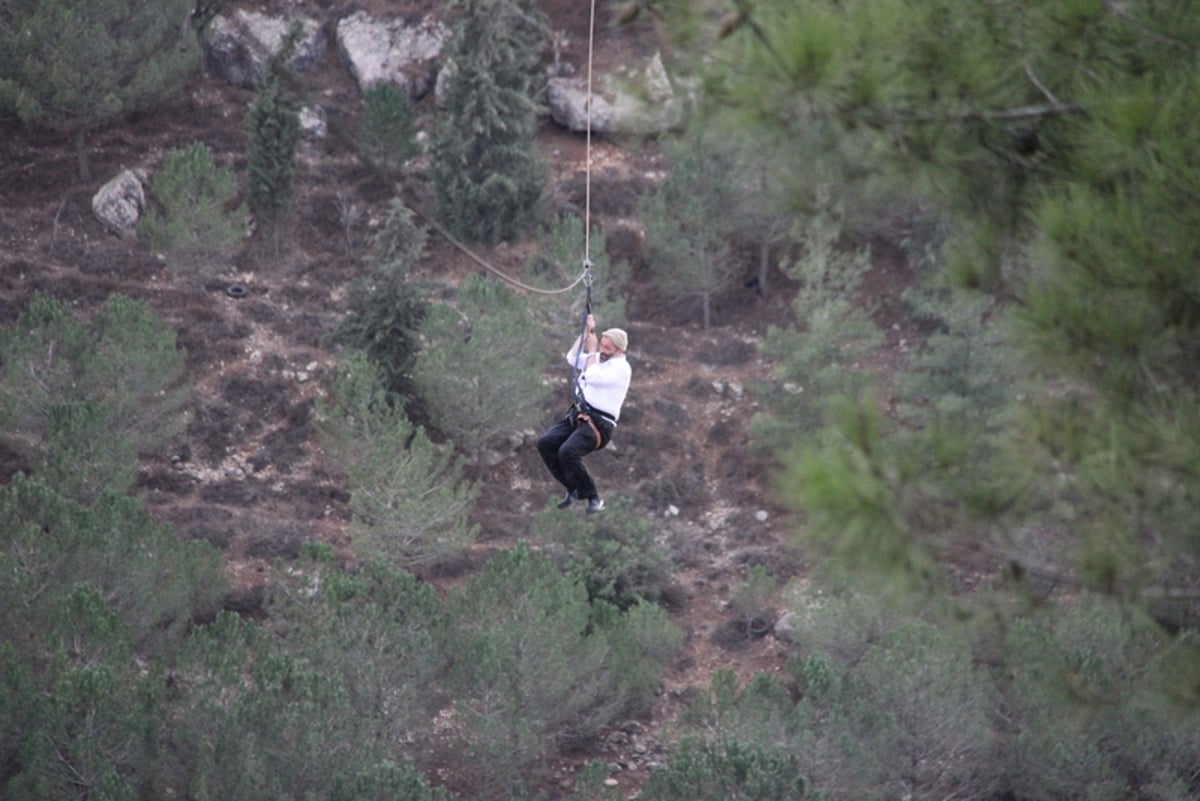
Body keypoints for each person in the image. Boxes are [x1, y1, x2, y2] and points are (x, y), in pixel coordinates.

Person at [537, 314, 631, 514]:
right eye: (602, 345)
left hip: (600, 424)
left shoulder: (621, 368)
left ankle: (593, 497)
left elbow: (592, 376)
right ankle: (572, 487)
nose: (603, 351)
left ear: (619, 351)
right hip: (581, 414)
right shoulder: (598, 359)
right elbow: (571, 358)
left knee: (567, 452)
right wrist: (585, 333)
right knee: (546, 443)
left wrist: (591, 350)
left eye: (607, 348)